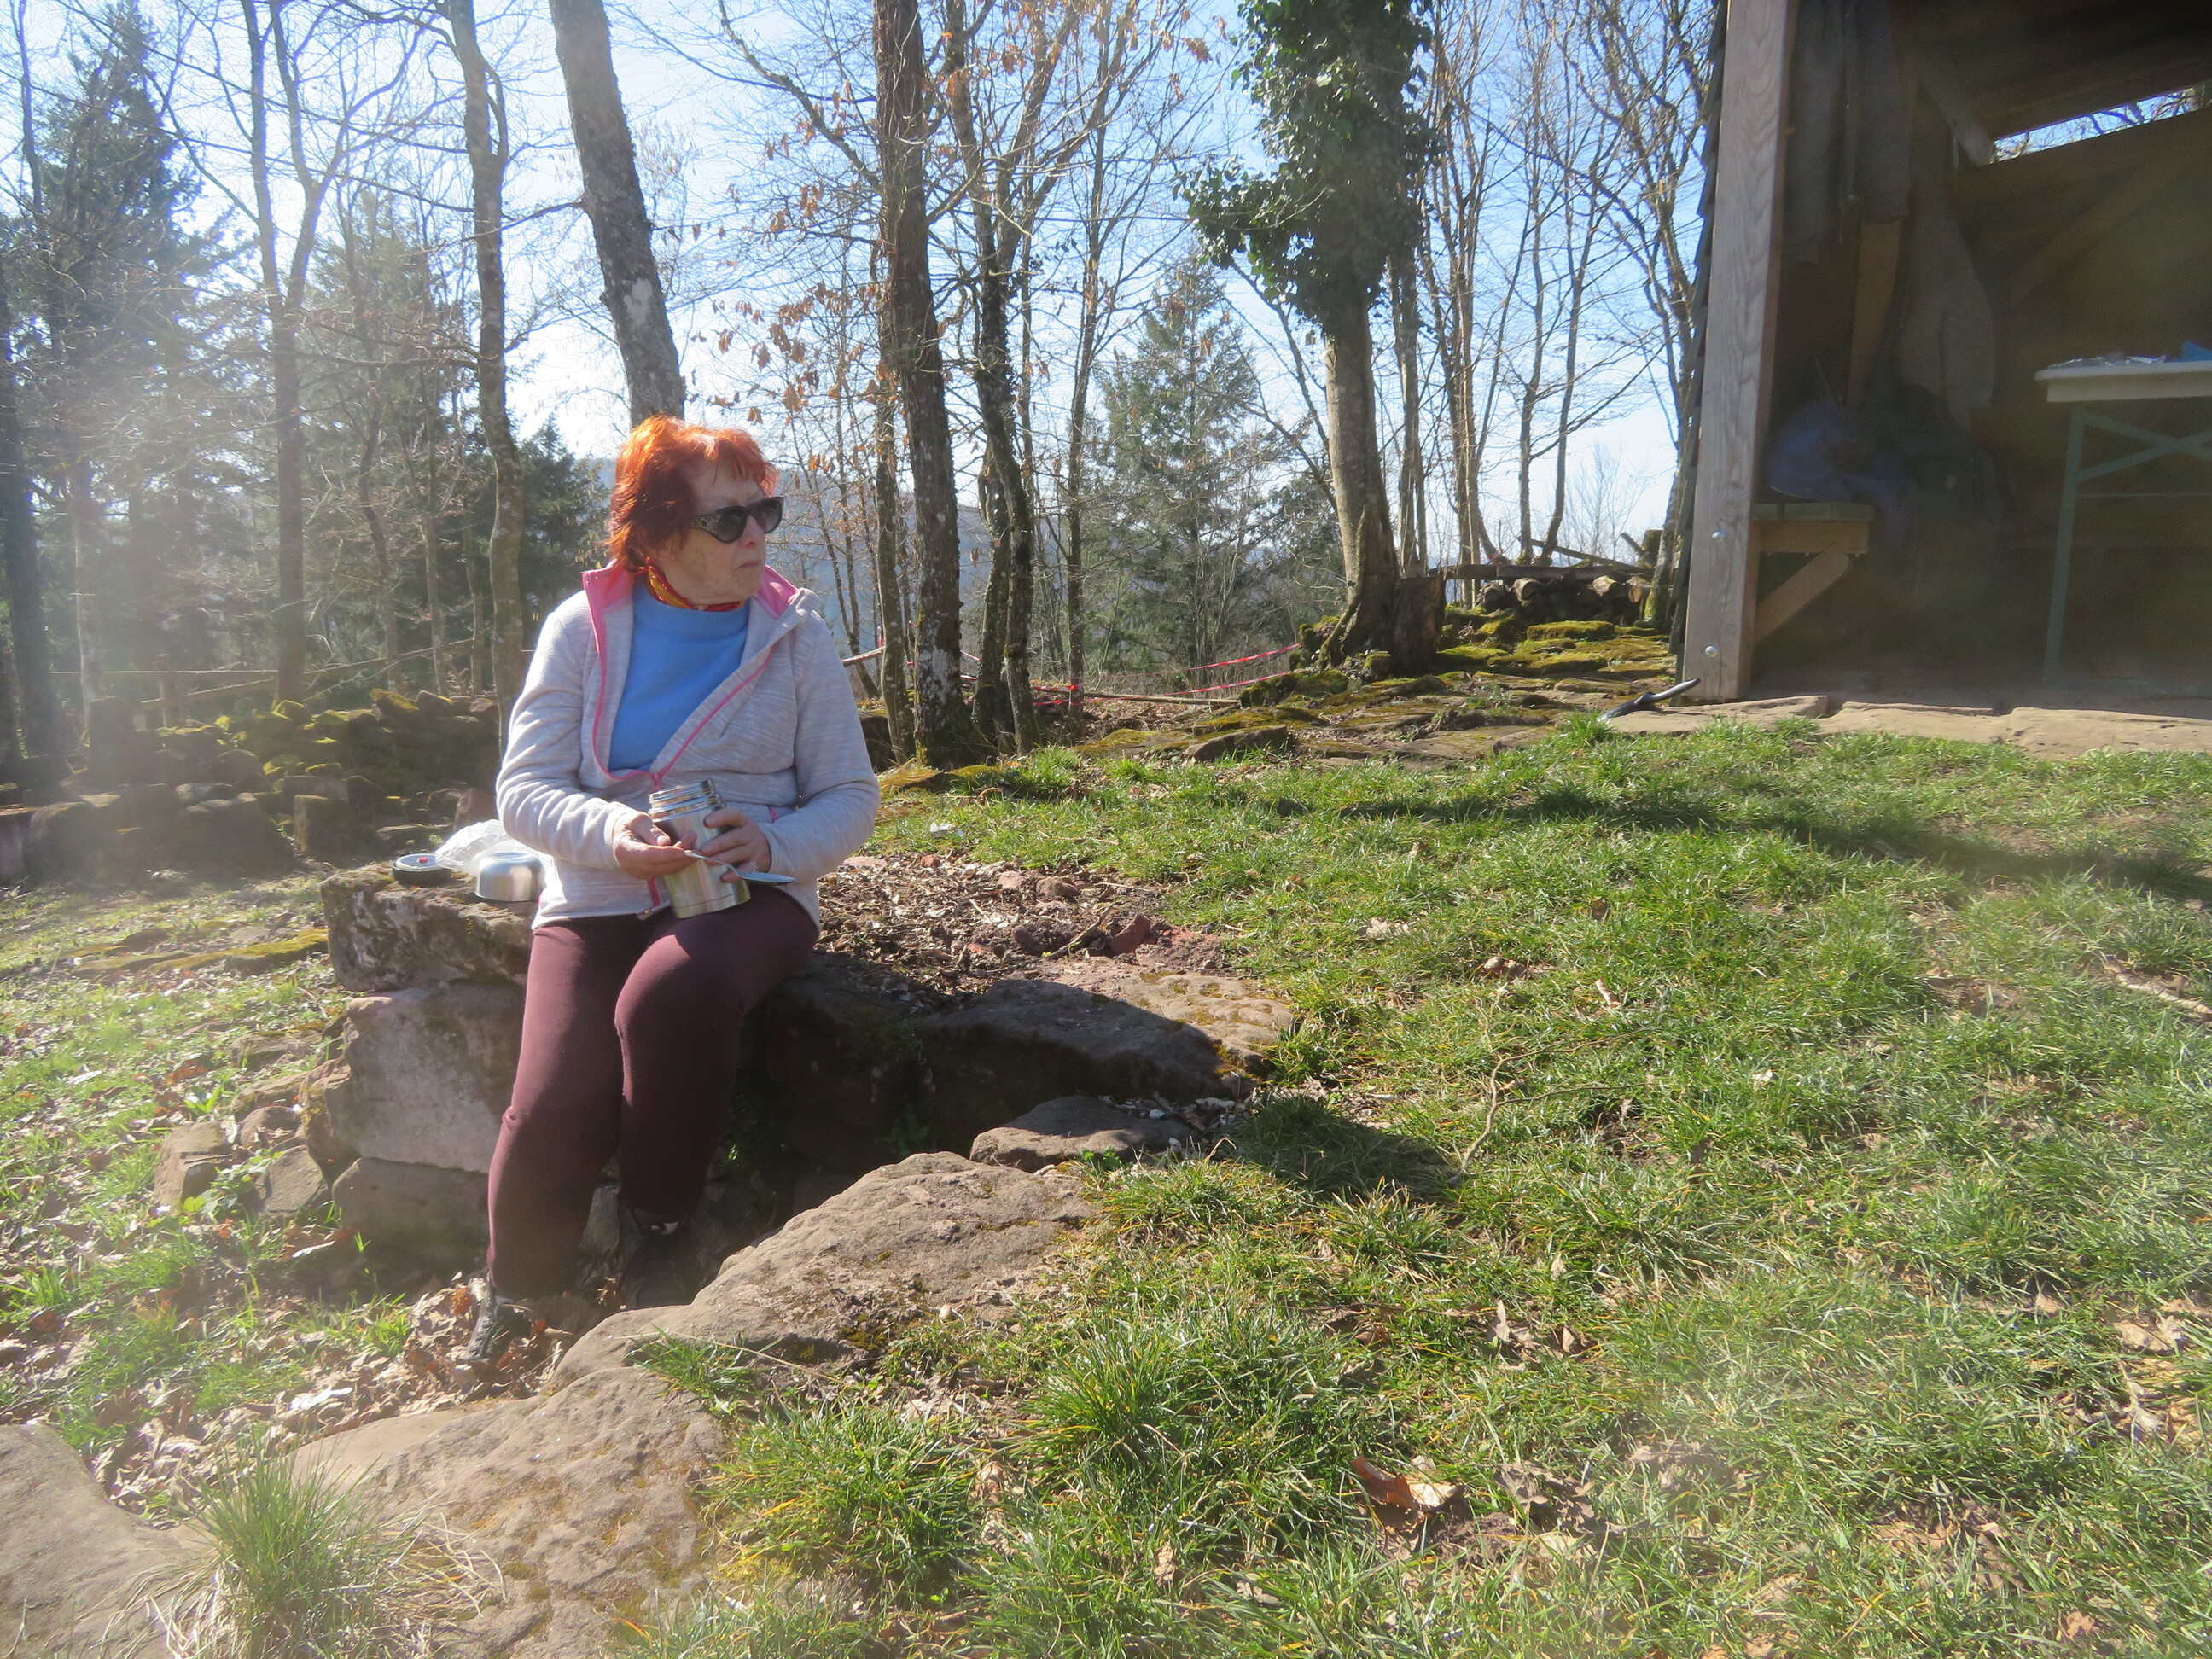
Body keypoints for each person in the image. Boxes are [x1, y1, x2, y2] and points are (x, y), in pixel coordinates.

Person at [464, 416, 879, 1364]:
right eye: (728, 521)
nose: (757, 536)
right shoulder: (581, 630)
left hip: (752, 889)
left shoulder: (796, 637)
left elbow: (852, 796)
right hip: (600, 888)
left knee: (671, 994)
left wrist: (772, 842)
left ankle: (658, 1235)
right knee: (557, 1087)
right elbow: (523, 790)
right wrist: (611, 835)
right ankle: (520, 1285)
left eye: (766, 512)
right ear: (654, 534)